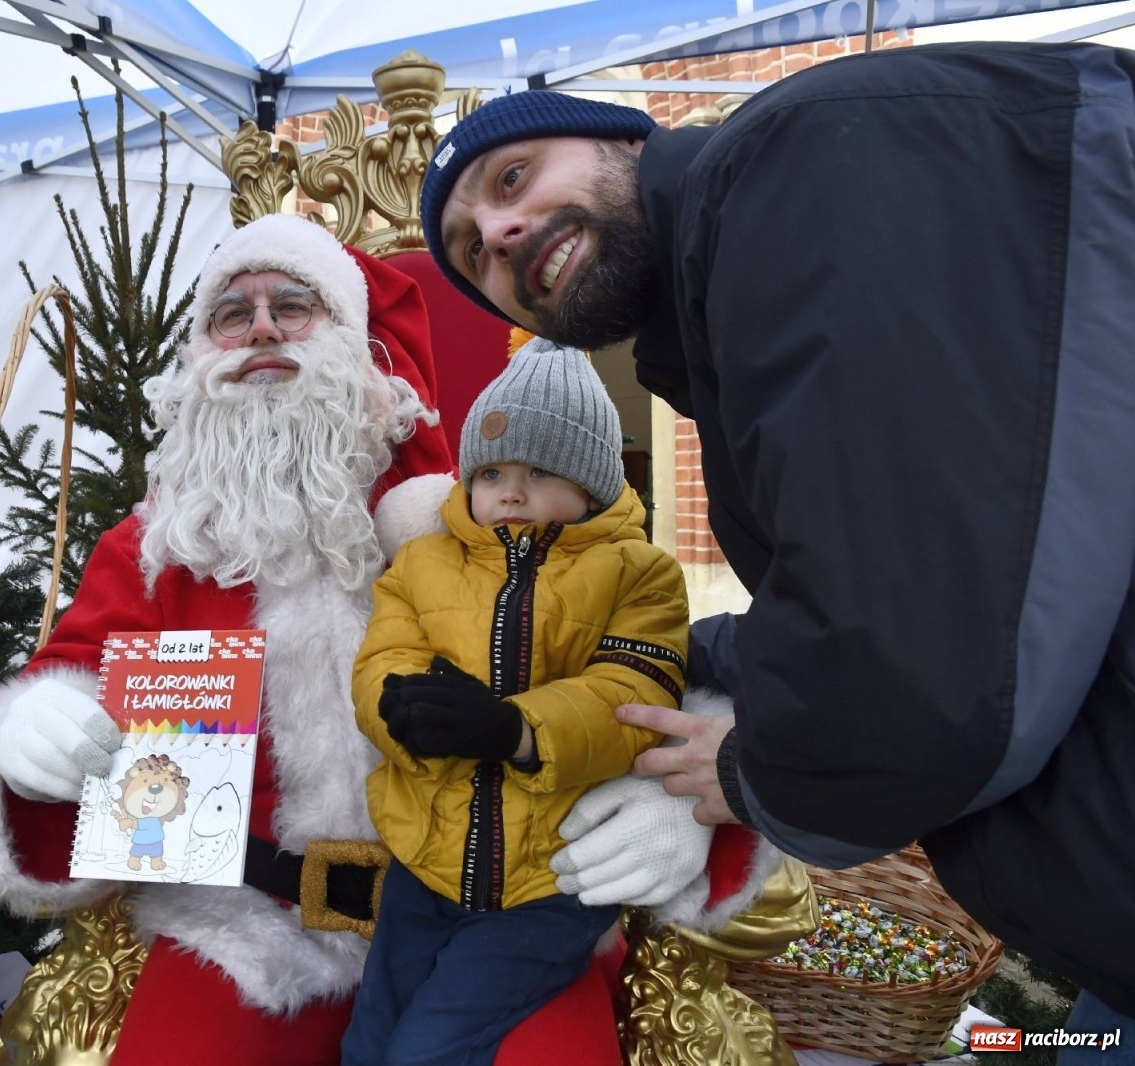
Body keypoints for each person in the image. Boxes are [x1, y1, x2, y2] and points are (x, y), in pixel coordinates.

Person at [0, 214, 783, 1066]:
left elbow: (633, 661)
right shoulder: (158, 549)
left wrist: (678, 796)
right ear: (199, 357)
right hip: (251, 930)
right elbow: (71, 676)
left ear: (357, 345)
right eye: (232, 314)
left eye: (292, 305)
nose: (262, 328)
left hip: (500, 909)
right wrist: (40, 725)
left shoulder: (478, 518)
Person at [419, 41, 1135, 1037]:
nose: (499, 235)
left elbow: (918, 660)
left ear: (626, 140)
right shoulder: (721, 303)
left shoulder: (791, 170)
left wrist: (746, 771)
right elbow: (946, 559)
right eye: (472, 256)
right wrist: (681, 660)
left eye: (512, 178)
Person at [343, 338, 688, 1066]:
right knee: (369, 1040)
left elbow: (633, 690)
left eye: (542, 471)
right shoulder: (423, 562)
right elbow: (383, 659)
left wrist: (518, 730)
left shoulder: (638, 573)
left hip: (548, 885)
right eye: (493, 472)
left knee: (427, 1050)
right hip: (421, 861)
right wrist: (400, 711)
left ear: (592, 483)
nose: (511, 492)